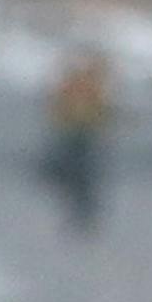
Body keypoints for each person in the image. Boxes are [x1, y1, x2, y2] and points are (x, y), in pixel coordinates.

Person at [41, 48, 113, 231]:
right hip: (75, 131)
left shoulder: (87, 87)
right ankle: (78, 202)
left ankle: (80, 206)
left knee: (82, 170)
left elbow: (100, 109)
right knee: (78, 169)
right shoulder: (81, 86)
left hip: (82, 132)